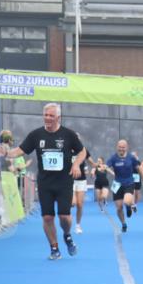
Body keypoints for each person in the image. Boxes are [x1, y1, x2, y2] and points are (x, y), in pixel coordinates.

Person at [5, 102, 85, 260]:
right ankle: (54, 248)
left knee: (64, 216)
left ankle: (67, 234)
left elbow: (82, 151)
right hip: (45, 183)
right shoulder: (36, 135)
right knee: (48, 217)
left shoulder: (68, 134)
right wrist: (5, 153)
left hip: (64, 182)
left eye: (51, 116)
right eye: (46, 115)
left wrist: (76, 164)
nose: (48, 118)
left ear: (58, 118)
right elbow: (19, 151)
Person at [107, 139, 141, 233]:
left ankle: (129, 206)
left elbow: (139, 167)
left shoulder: (131, 157)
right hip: (117, 184)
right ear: (117, 147)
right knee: (118, 208)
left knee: (126, 201)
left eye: (123, 147)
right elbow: (106, 166)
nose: (121, 149)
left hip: (129, 183)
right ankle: (124, 224)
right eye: (120, 147)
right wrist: (103, 168)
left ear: (127, 147)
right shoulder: (113, 158)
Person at [71, 134, 91, 234]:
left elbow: (92, 162)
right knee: (73, 203)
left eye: (77, 138)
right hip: (70, 180)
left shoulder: (83, 150)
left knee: (79, 204)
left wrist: (97, 166)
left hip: (81, 181)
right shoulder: (67, 150)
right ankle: (67, 220)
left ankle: (78, 225)